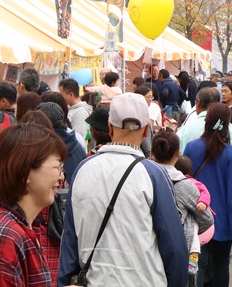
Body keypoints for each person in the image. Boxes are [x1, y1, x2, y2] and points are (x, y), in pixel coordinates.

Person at [59, 93, 187, 287]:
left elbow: (69, 239)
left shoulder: (82, 170)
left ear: (109, 128)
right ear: (146, 131)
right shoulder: (154, 175)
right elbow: (174, 248)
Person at [0, 123, 67, 287]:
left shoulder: (20, 226)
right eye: (57, 167)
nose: (61, 177)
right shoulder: (6, 236)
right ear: (25, 172)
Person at [184, 103, 232, 287]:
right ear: (227, 123)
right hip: (222, 219)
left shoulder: (191, 147)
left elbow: (186, 182)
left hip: (198, 215)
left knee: (199, 263)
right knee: (221, 264)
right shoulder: (231, 153)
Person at [151, 130, 214, 279]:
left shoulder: (144, 177)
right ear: (178, 153)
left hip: (147, 252)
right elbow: (207, 219)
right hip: (178, 252)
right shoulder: (185, 185)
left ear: (152, 152)